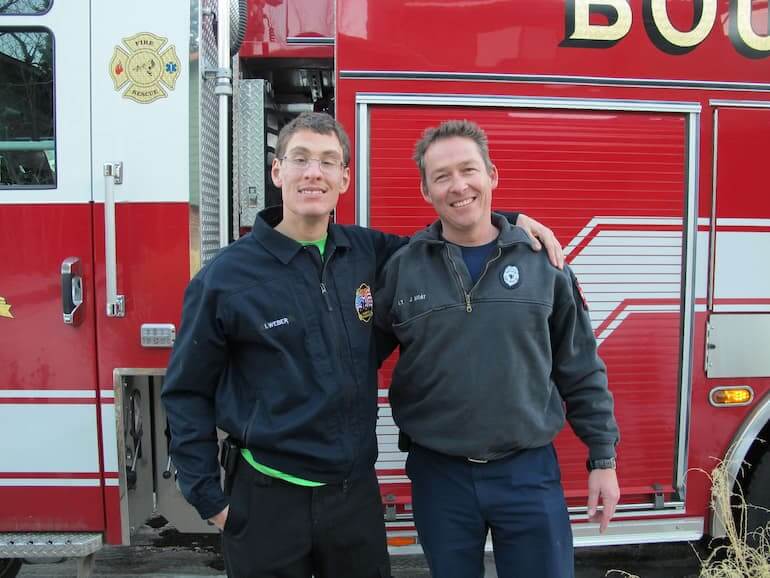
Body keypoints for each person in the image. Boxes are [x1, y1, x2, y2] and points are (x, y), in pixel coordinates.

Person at [161, 112, 564, 578]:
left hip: (354, 501)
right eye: (301, 159)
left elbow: (449, 240)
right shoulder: (224, 278)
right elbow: (187, 391)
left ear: (344, 179)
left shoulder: (371, 253)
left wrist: (508, 222)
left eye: (329, 162)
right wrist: (209, 498)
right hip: (266, 498)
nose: (314, 172)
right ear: (277, 171)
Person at [374, 120, 620, 578]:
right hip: (438, 477)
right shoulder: (402, 269)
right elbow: (356, 356)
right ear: (426, 191)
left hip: (527, 474)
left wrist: (602, 458)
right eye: (442, 176)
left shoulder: (544, 264)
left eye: (469, 170)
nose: (458, 185)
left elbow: (580, 367)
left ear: (493, 175)